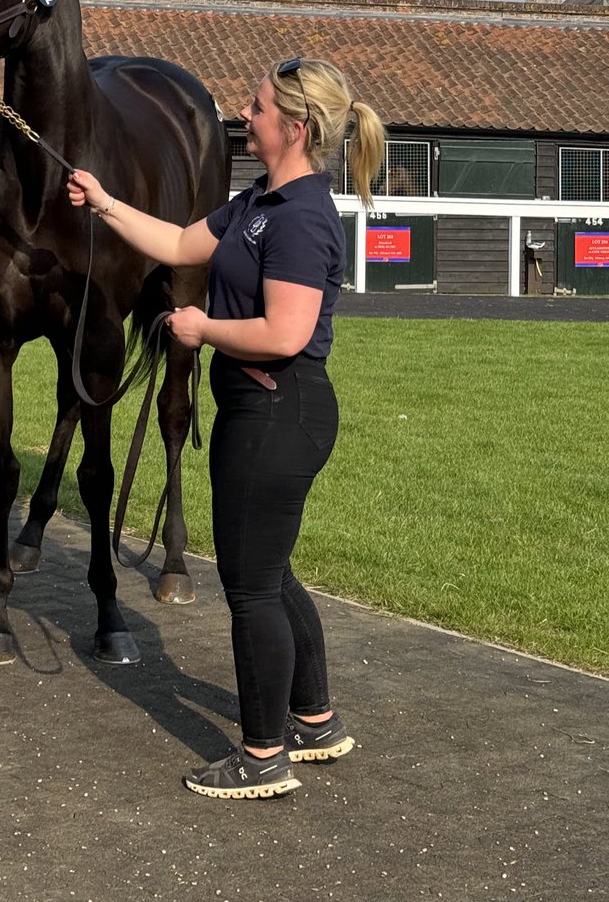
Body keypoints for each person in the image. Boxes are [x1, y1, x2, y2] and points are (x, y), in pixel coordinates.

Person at [67, 57, 385, 801]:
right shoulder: (256, 204)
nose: (244, 114)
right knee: (270, 573)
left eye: (257, 107)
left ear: (295, 128)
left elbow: (285, 332)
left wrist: (200, 326)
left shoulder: (303, 217)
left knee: (250, 589)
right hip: (262, 411)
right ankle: (314, 720)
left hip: (278, 410)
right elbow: (180, 246)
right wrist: (107, 202)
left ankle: (262, 755)